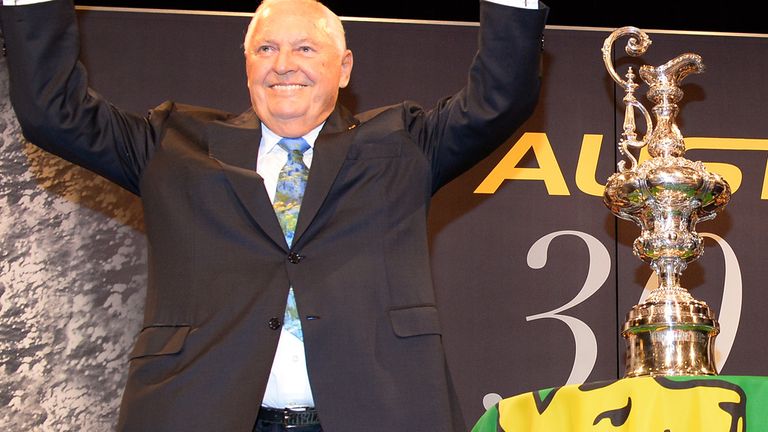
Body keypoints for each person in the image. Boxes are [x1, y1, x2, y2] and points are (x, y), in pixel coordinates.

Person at [0, 0, 548, 430]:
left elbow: (498, 98)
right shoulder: (171, 144)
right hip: (201, 415)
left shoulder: (403, 143)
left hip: (380, 414)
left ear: (344, 67)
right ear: (246, 65)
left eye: (306, 48)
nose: (284, 64)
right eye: (265, 48)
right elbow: (56, 114)